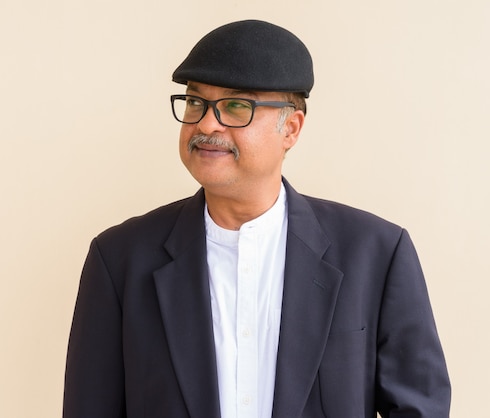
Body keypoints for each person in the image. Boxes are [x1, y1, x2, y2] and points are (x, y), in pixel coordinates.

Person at [63, 19, 450, 418]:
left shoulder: (377, 253)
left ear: (292, 128)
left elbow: (420, 408)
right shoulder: (119, 260)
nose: (206, 123)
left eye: (236, 106)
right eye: (196, 102)